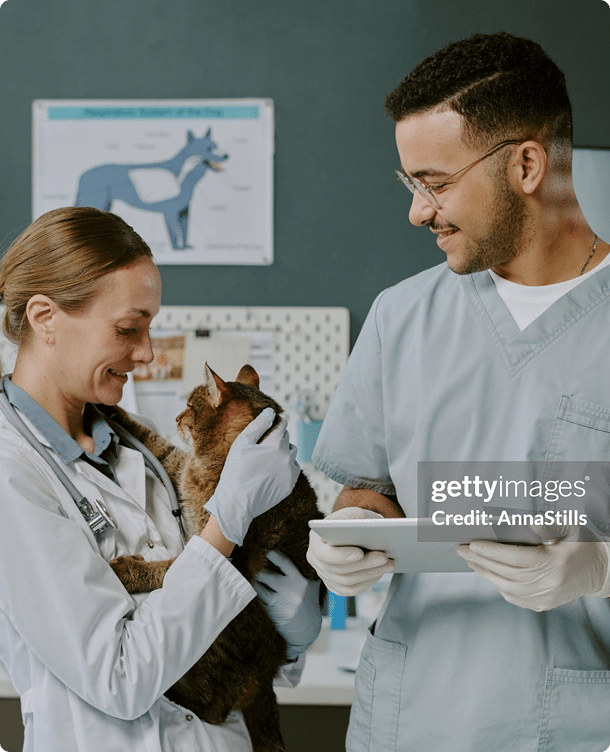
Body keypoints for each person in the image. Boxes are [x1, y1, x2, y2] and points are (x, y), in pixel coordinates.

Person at [307, 32, 610, 751]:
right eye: (409, 183)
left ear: (527, 164)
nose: (418, 212)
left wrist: (598, 567)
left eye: (435, 183)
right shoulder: (400, 316)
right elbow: (369, 488)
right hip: (413, 716)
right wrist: (354, 533)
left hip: (573, 724)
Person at [0, 206, 321, 752]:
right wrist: (228, 523)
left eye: (149, 327)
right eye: (128, 329)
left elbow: (218, 626)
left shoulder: (137, 445)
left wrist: (294, 631)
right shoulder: (14, 472)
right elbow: (119, 678)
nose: (147, 354)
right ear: (44, 317)